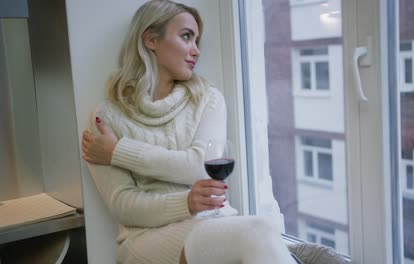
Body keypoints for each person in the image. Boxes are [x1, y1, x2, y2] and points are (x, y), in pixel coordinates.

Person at [81, 1, 296, 263]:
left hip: (211, 222)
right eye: (186, 37)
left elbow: (198, 166)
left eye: (197, 41)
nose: (196, 50)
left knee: (259, 232)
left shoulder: (208, 99)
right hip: (146, 237)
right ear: (151, 39)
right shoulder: (106, 118)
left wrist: (119, 151)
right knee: (258, 231)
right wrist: (185, 203)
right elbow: (123, 206)